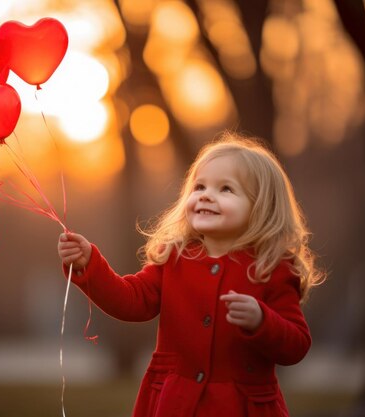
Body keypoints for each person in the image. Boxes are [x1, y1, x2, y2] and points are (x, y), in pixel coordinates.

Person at [57, 132, 324, 417]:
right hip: (175, 403)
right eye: (199, 186)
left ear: (261, 208)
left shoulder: (273, 268)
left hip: (242, 407)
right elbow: (131, 300)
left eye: (226, 189)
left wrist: (261, 320)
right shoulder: (173, 258)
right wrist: (90, 265)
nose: (207, 195)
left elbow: (296, 345)